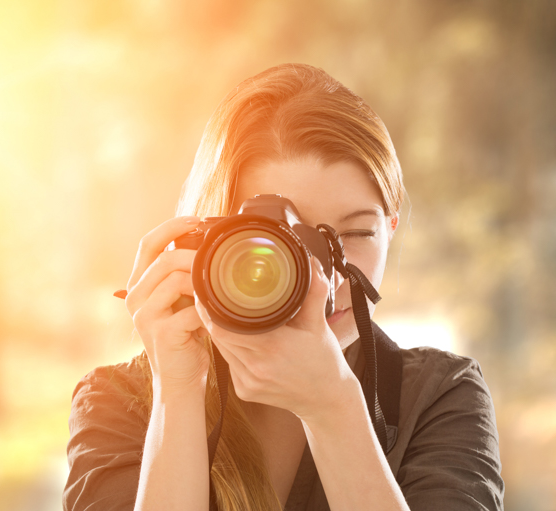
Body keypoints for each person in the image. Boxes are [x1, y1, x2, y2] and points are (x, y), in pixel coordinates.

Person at [63, 63, 504, 511]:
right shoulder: (117, 403)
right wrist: (177, 393)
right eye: (278, 242)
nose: (321, 279)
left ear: (390, 228)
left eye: (354, 235)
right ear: (209, 243)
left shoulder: (440, 396)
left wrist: (334, 406)